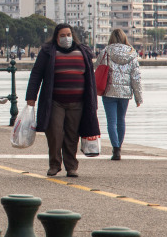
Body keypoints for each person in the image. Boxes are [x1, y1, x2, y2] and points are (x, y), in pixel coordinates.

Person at [25, 24, 100, 178]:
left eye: (68, 34)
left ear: (73, 35)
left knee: (72, 136)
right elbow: (36, 74)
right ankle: (54, 165)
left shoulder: (83, 51)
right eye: (62, 35)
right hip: (54, 102)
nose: (66, 38)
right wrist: (31, 97)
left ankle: (71, 167)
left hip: (78, 102)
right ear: (56, 37)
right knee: (55, 133)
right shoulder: (48, 51)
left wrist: (93, 102)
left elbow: (90, 78)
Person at [101, 29, 143, 160]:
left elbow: (98, 67)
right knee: (121, 120)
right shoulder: (132, 54)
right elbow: (136, 78)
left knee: (111, 122)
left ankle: (116, 149)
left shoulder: (106, 51)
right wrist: (138, 97)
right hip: (125, 93)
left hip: (108, 91)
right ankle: (120, 147)